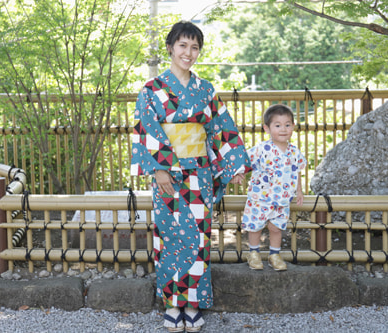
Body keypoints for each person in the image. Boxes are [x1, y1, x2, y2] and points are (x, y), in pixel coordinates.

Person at [130, 21, 250, 332]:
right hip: (167, 175)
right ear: (170, 48)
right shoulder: (152, 90)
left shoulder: (206, 89)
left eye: (194, 47)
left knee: (197, 239)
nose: (189, 52)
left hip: (199, 174)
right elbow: (146, 129)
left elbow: (221, 129)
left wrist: (233, 165)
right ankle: (172, 304)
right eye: (183, 45)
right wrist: (157, 168)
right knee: (170, 238)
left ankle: (193, 303)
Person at [241, 104, 306, 271]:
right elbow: (245, 163)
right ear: (267, 128)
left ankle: (274, 254)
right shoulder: (261, 149)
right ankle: (253, 253)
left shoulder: (294, 152)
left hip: (282, 198)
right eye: (277, 125)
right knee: (255, 226)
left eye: (287, 124)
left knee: (276, 227)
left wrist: (299, 190)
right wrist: (237, 174)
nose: (283, 129)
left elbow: (297, 171)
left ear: (293, 126)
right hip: (260, 197)